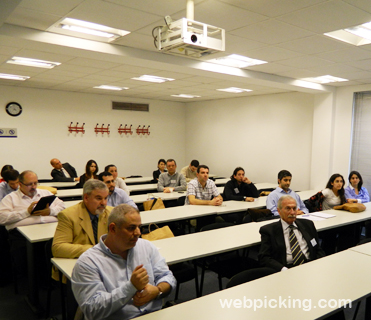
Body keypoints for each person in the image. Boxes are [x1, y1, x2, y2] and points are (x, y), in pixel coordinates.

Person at [71, 204, 176, 320]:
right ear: (113, 229)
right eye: (131, 228)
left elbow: (166, 276)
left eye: (139, 227)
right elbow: (92, 309)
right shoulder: (88, 262)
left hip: (154, 315)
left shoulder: (147, 247)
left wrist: (157, 290)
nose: (138, 233)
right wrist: (131, 287)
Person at [258, 195, 325, 272]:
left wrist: (320, 264)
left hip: (310, 265)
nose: (292, 212)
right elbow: (264, 257)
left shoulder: (308, 224)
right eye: (288, 208)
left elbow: (317, 249)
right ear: (279, 211)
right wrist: (283, 269)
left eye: (294, 208)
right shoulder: (269, 230)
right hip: (287, 268)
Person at [52, 180, 113, 261]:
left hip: (105, 262)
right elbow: (58, 248)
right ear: (86, 198)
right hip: (79, 263)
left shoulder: (112, 213)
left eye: (106, 198)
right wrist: (96, 249)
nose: (104, 203)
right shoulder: (68, 215)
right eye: (98, 198)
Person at [0, 170, 65, 230]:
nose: (33, 187)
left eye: (35, 183)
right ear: (20, 184)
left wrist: (50, 211)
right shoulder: (10, 198)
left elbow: (63, 207)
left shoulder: (46, 193)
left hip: (51, 227)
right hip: (23, 232)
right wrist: (26, 212)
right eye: (29, 184)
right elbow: (2, 218)